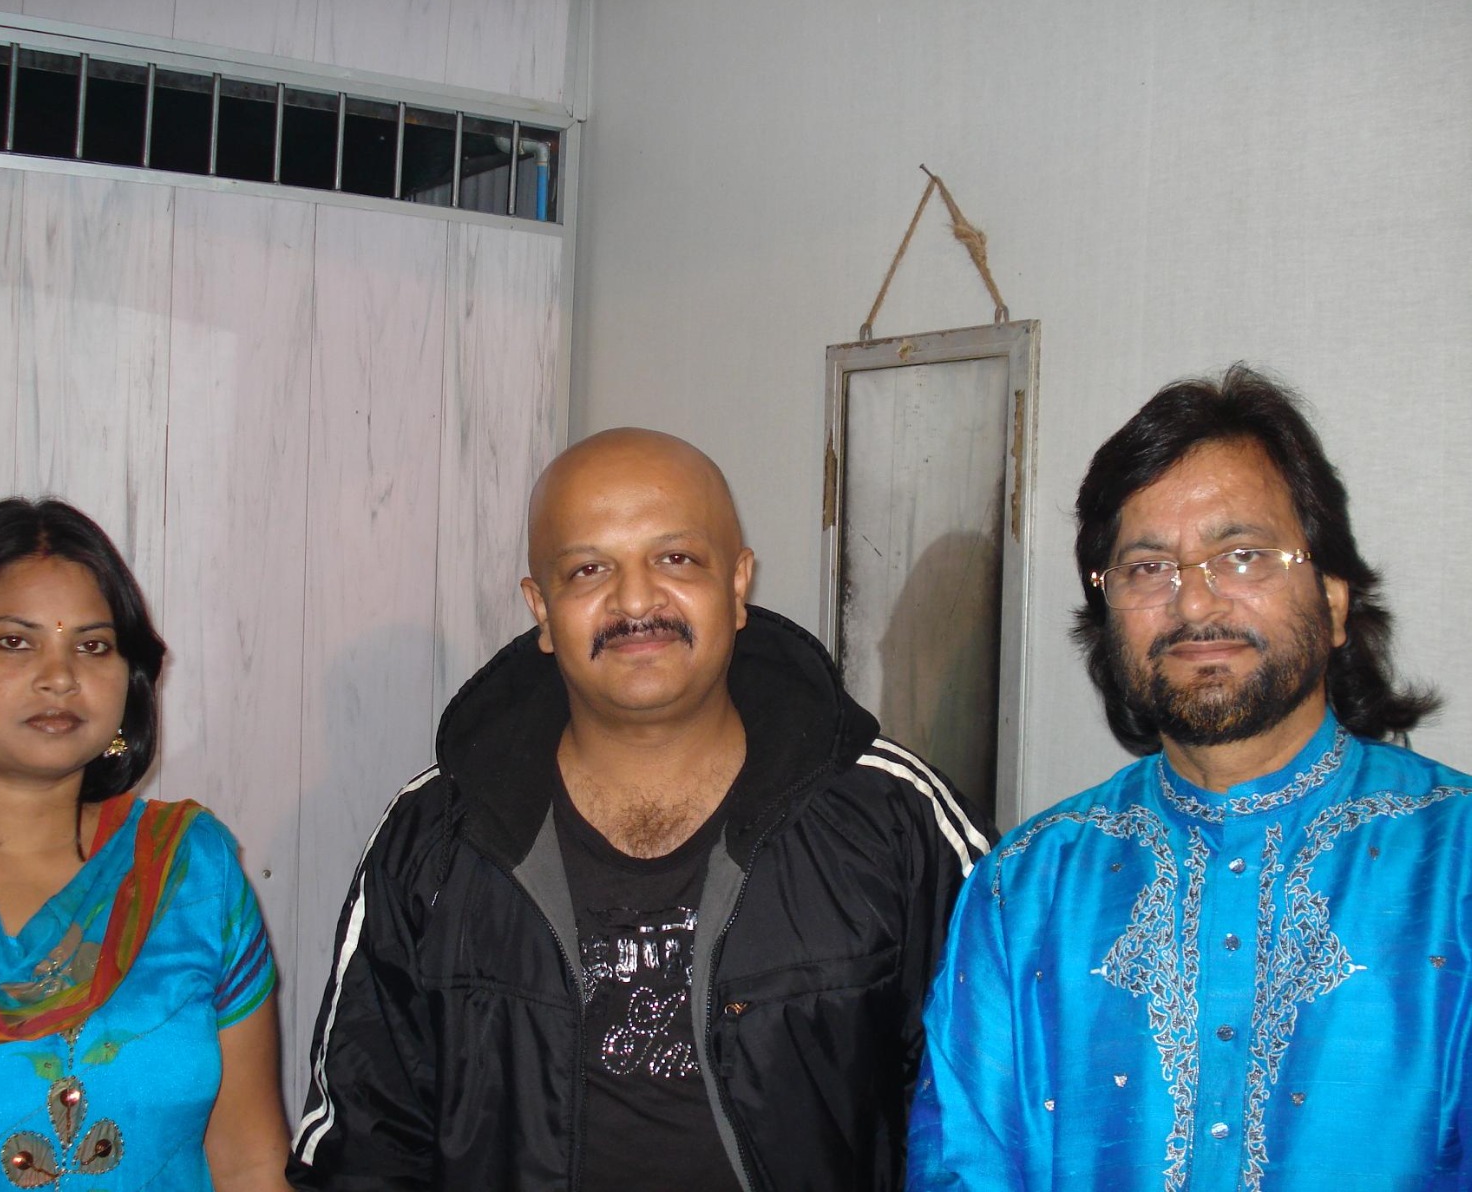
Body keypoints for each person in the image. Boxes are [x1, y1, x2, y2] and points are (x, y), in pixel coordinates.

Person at [287, 427, 990, 1191]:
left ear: (738, 584)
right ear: (542, 610)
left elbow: (987, 1115)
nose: (635, 600)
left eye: (676, 559)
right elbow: (366, 1145)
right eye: (588, 570)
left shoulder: (892, 818)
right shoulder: (434, 838)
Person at [906, 365, 1469, 1189]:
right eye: (1147, 568)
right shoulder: (1024, 888)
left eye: (1242, 556)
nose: (1195, 604)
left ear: (1335, 601)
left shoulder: (1455, 864)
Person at [0, 497, 292, 1191]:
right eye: (15, 642)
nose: (60, 677)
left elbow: (250, 1161)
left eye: (93, 646)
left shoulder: (190, 872)